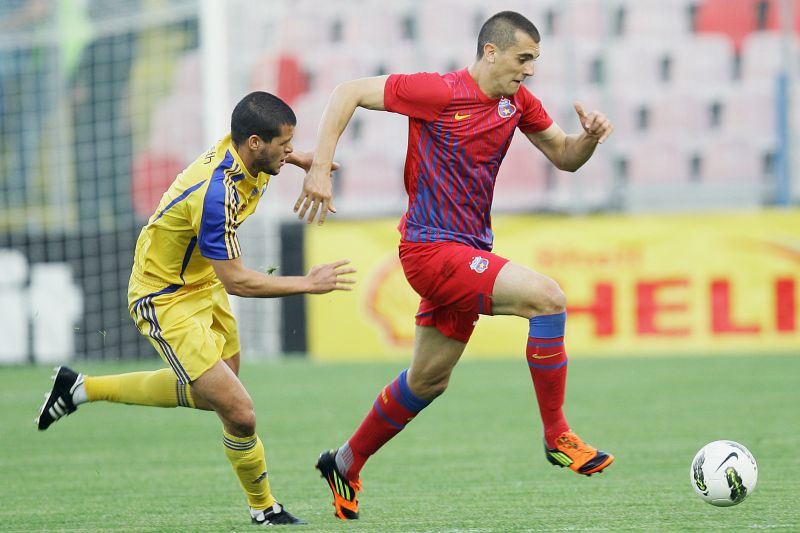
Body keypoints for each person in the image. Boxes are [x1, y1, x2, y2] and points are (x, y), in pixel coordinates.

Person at [294, 11, 615, 520]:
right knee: (548, 299)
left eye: (535, 60)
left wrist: (591, 138)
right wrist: (318, 168)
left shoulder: (518, 102)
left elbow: (565, 157)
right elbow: (346, 92)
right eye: (523, 58)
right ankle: (558, 435)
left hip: (468, 252)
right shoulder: (438, 92)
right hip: (430, 250)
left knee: (427, 381)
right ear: (491, 52)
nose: (530, 69)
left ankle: (345, 462)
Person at [36, 91, 356, 526]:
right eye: (285, 145)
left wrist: (300, 160)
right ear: (256, 144)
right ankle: (264, 509)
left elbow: (227, 271)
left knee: (217, 398)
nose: (289, 150)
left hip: (200, 281)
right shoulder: (216, 195)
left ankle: (80, 389)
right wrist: (307, 283)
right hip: (164, 296)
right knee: (240, 412)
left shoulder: (252, 152)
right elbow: (239, 280)